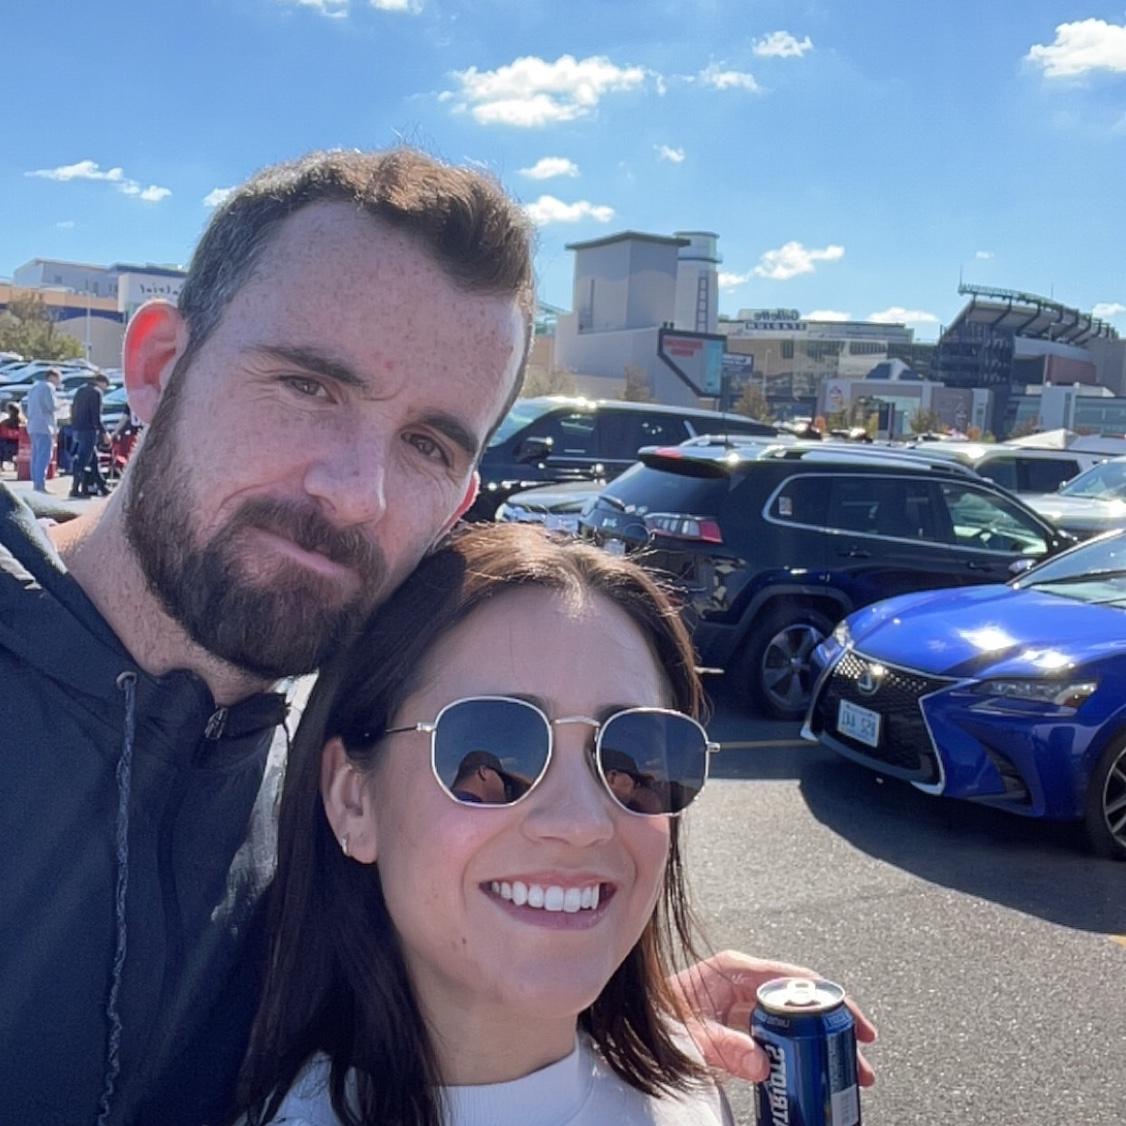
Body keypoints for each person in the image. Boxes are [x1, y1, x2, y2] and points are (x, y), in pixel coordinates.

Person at [0, 148, 874, 1126]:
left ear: (459, 499)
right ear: (159, 370)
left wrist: (578, 1038)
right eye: (307, 385)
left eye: (426, 443)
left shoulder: (323, 787)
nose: (355, 492)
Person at [236, 522, 735, 1125]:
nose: (582, 822)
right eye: (498, 753)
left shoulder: (699, 1096)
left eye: (635, 761)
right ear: (353, 800)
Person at [68, 371, 112, 497]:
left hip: (79, 428)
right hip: (89, 430)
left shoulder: (80, 390)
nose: (104, 389)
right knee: (83, 460)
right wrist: (104, 432)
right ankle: (75, 489)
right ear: (102, 382)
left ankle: (102, 487)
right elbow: (96, 416)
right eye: (105, 386)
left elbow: (73, 409)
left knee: (93, 460)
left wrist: (74, 426)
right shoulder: (96, 393)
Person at [23, 366, 61, 491]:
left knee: (35, 455)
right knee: (44, 456)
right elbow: (51, 406)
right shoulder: (48, 387)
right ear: (52, 377)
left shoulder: (34, 387)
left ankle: (36, 482)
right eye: (58, 378)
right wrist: (61, 405)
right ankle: (40, 484)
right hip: (45, 425)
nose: (59, 382)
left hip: (33, 425)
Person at [0, 401, 21, 468]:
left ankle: (1, 465)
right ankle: (16, 466)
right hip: (16, 443)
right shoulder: (21, 422)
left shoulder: (4, 422)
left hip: (6, 443)